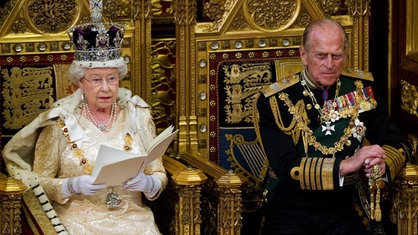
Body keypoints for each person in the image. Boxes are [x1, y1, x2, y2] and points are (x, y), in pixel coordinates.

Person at [2, 3, 167, 235]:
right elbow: (39, 181)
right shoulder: (60, 122)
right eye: (96, 80)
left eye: (112, 78)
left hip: (135, 222)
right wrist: (71, 185)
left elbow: (159, 173)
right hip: (77, 223)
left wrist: (149, 183)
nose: (106, 88)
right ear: (80, 82)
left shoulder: (138, 115)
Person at [254, 18, 411, 234]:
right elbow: (288, 167)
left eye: (336, 56)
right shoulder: (275, 100)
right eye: (321, 55)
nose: (330, 64)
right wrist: (346, 165)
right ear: (303, 55)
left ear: (344, 55)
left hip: (344, 205)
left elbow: (398, 142)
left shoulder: (360, 89)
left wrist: (381, 165)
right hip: (290, 207)